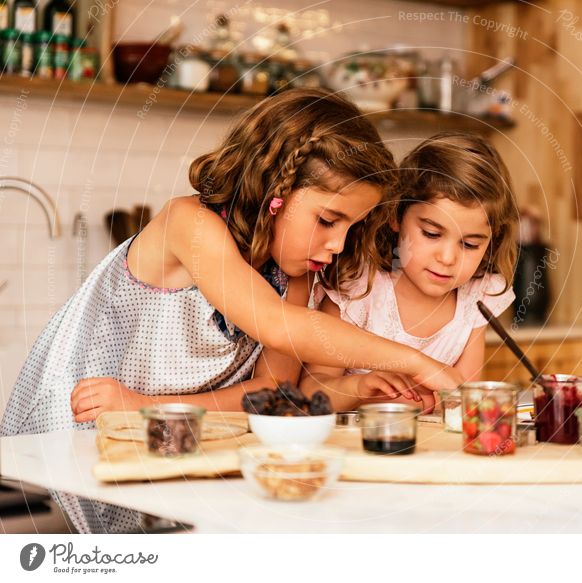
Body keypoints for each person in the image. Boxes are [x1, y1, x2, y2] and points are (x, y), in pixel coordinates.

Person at [0, 89, 463, 440]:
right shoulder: (189, 223)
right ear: (274, 192)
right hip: (72, 427)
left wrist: (145, 408)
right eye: (327, 220)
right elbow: (281, 326)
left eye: (349, 227)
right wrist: (417, 362)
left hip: (159, 431)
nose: (338, 244)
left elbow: (272, 395)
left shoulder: (294, 278)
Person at [302, 132, 518, 411]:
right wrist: (360, 389)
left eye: (470, 243)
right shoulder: (357, 288)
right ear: (396, 215)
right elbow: (310, 391)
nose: (448, 257)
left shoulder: (477, 297)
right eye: (431, 233)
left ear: (492, 240)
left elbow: (464, 400)